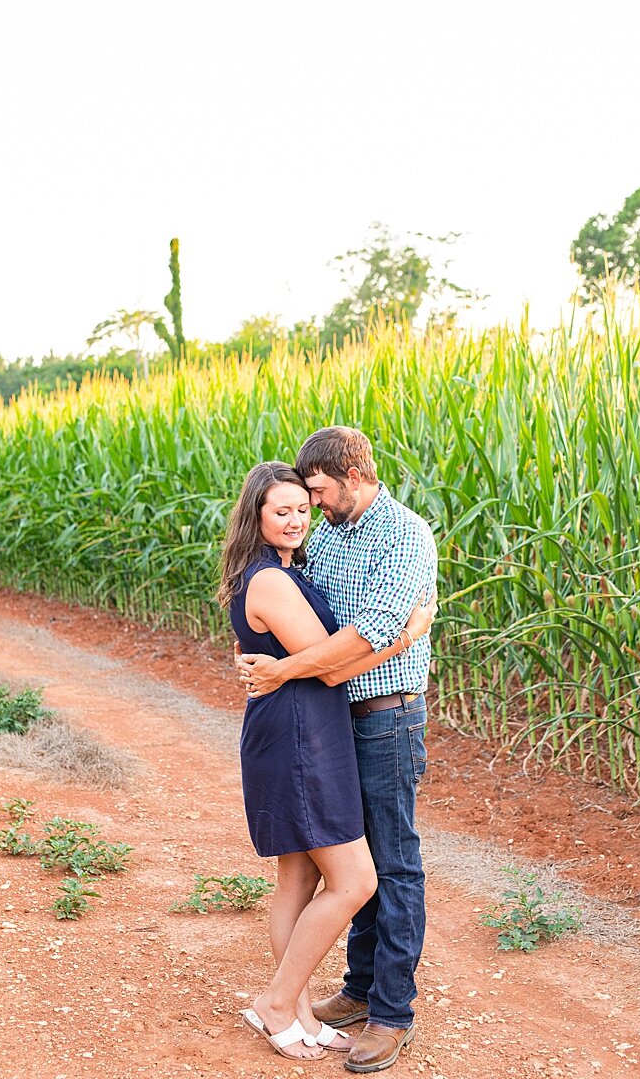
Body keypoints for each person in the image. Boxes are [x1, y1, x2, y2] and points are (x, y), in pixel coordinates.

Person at [236, 427, 437, 1074]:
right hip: (325, 722)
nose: (309, 510)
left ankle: (390, 1013)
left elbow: (357, 638)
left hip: (385, 718)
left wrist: (284, 667)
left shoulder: (402, 534)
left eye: (314, 495)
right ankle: (341, 994)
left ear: (351, 474)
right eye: (293, 504)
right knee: (330, 869)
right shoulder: (324, 540)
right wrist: (272, 663)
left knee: (390, 865)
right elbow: (305, 642)